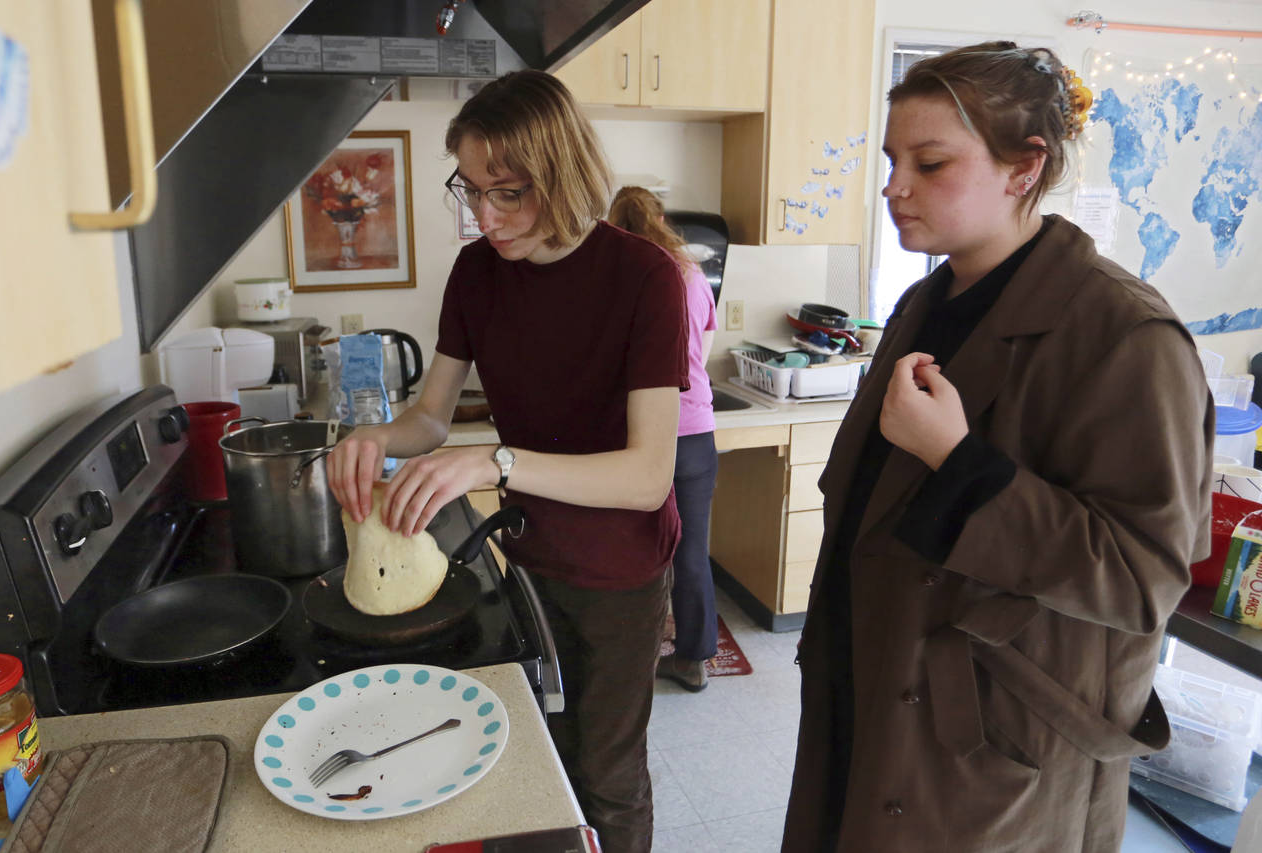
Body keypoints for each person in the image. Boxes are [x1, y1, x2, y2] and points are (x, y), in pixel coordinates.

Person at [781, 42, 1214, 853]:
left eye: (930, 162)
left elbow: (1142, 577)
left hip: (991, 741)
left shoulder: (1126, 336)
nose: (893, 186)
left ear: (1025, 168)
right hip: (867, 684)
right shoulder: (923, 300)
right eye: (892, 158)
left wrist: (963, 463)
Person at [325, 70, 689, 853]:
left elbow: (646, 475)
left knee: (608, 771)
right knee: (533, 758)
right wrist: (367, 439)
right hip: (523, 556)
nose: (486, 217)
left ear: (561, 174)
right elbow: (428, 416)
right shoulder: (478, 273)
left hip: (617, 571)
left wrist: (493, 460)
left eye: (510, 192)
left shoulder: (644, 278)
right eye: (472, 190)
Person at [608, 186, 720, 692]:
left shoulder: (620, 274)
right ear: (660, 219)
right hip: (695, 428)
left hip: (640, 432)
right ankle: (694, 659)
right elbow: (706, 346)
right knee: (691, 551)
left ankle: (631, 657)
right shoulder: (693, 273)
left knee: (634, 550)